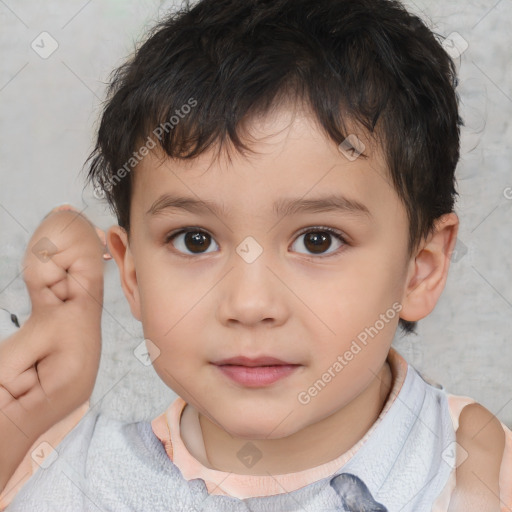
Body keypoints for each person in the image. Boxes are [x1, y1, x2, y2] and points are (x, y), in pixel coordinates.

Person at [1, 0, 511, 510]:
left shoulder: (476, 475)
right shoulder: (66, 474)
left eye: (318, 240)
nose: (249, 304)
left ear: (420, 271)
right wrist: (31, 416)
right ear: (132, 272)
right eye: (194, 240)